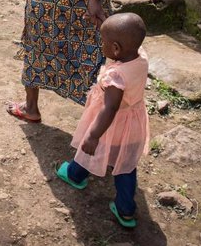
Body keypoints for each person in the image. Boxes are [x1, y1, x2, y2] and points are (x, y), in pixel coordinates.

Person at [55, 13, 149, 228]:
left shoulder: (115, 77)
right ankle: (126, 210)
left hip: (111, 124)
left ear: (116, 48)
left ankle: (75, 175)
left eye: (103, 41)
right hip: (133, 123)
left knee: (92, 149)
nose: (101, 44)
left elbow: (110, 108)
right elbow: (127, 38)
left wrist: (93, 134)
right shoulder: (140, 57)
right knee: (125, 165)